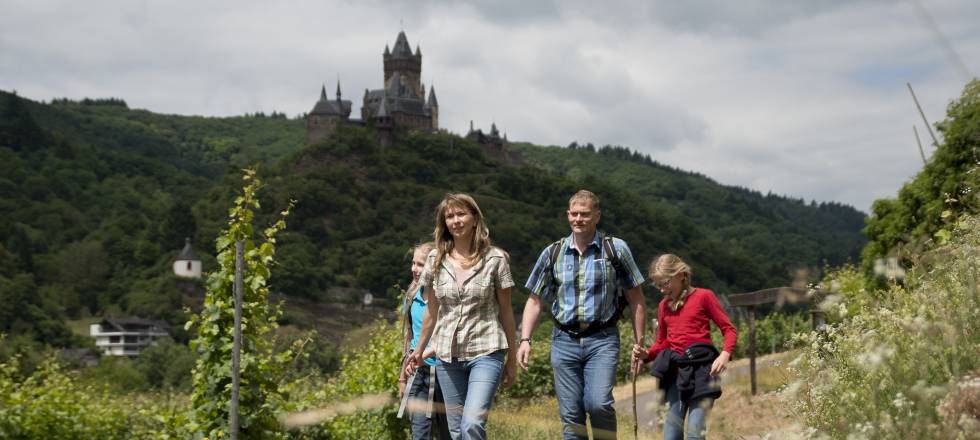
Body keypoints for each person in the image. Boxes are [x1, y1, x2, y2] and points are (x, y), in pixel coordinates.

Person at [519, 189, 647, 440]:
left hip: (603, 339)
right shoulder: (552, 253)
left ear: (597, 216)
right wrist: (525, 339)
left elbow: (637, 299)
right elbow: (535, 300)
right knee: (571, 415)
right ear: (568, 215)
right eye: (574, 214)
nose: (579, 219)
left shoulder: (615, 250)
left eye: (585, 214)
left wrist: (639, 343)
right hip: (563, 340)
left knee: (598, 404)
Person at [405, 193, 518, 440]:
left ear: (475, 219)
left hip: (486, 351)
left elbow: (507, 312)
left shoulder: (495, 259)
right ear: (444, 223)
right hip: (447, 356)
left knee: (471, 424)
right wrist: (419, 348)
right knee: (456, 431)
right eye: (450, 216)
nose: (455, 220)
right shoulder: (435, 260)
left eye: (461, 214)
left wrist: (511, 358)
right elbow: (431, 312)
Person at [631, 254, 736, 440]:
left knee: (695, 433)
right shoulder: (664, 306)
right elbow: (662, 343)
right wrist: (646, 354)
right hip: (675, 377)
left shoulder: (704, 296)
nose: (662, 290)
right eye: (658, 285)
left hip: (704, 373)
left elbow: (728, 329)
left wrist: (725, 354)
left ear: (680, 275)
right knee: (671, 436)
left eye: (665, 283)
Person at [398, 241, 451, 440]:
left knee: (450, 434)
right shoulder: (411, 296)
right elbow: (409, 337)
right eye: (413, 263)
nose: (415, 269)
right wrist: (402, 377)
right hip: (418, 374)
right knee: (419, 434)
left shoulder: (447, 299)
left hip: (447, 372)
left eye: (421, 264)